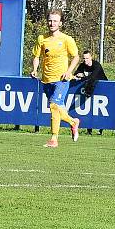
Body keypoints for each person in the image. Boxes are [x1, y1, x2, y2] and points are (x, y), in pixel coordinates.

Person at [31, 10, 81, 148]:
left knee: (54, 106)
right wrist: (35, 70)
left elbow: (76, 57)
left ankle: (54, 139)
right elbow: (36, 56)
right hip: (46, 79)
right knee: (59, 109)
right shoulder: (42, 38)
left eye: (55, 21)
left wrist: (69, 71)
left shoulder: (66, 39)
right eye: (50, 20)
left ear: (60, 23)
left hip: (62, 79)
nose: (52, 23)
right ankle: (73, 122)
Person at [74, 50, 107, 135]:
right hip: (90, 89)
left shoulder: (97, 65)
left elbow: (92, 77)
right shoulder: (82, 65)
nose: (85, 60)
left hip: (103, 89)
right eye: (84, 58)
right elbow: (76, 73)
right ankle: (89, 130)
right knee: (89, 109)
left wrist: (83, 76)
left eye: (87, 58)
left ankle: (101, 130)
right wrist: (78, 74)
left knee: (100, 112)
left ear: (91, 58)